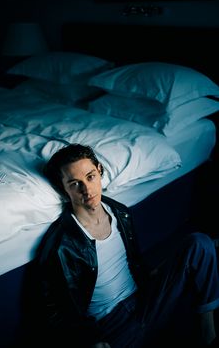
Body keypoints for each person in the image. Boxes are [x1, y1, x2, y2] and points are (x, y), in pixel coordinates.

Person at [36, 143, 219, 348]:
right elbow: (53, 312)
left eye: (90, 177)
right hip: (112, 326)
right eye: (75, 184)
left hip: (145, 299)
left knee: (199, 243)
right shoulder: (60, 244)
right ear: (64, 189)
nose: (87, 190)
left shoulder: (119, 212)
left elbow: (133, 261)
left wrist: (158, 274)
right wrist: (91, 339)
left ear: (100, 171)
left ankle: (209, 335)